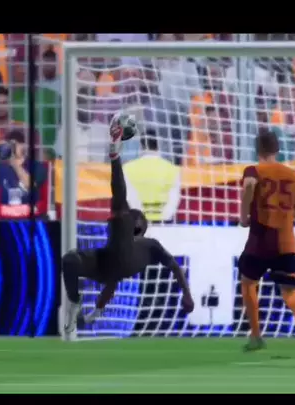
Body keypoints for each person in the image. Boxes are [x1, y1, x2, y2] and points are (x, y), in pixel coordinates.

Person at [61, 114, 195, 340]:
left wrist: (187, 295)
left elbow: (175, 268)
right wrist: (96, 311)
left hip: (114, 263)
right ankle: (74, 303)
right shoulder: (136, 242)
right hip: (106, 263)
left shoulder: (150, 246)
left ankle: (115, 155)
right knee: (70, 260)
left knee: (119, 205)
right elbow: (112, 283)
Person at [238, 131, 295, 353]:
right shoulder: (293, 176)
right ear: (278, 150)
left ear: (257, 150)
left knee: (248, 282)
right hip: (286, 242)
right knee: (290, 291)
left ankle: (256, 336)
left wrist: (244, 215)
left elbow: (249, 185)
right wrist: (284, 211)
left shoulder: (253, 170)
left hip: (260, 240)